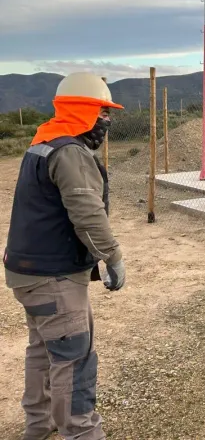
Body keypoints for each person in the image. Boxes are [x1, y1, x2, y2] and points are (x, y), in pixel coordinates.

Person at [3, 72, 126, 440]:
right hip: (54, 280)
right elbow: (86, 213)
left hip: (27, 272)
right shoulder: (69, 151)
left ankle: (38, 428)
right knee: (74, 362)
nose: (107, 120)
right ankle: (80, 432)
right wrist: (113, 257)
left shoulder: (43, 141)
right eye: (103, 112)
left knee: (42, 352)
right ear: (84, 111)